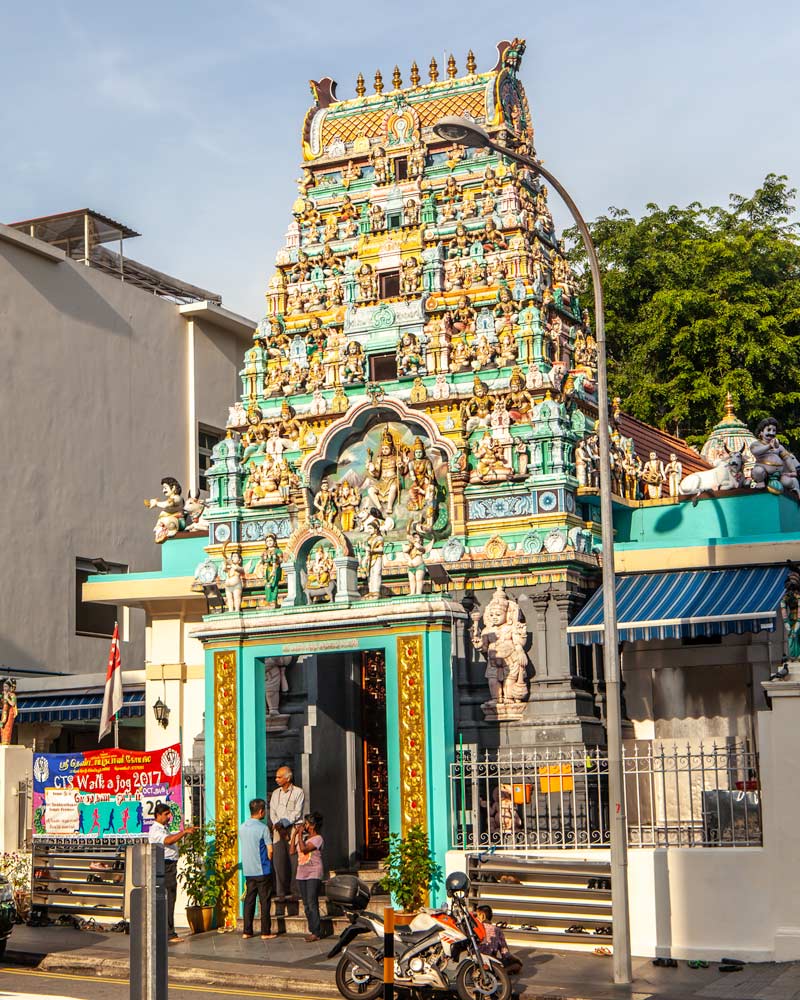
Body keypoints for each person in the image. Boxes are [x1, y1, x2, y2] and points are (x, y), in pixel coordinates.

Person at [148, 802, 196, 943]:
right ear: (158, 815)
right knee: (168, 897)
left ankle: (168, 930)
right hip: (164, 865)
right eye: (166, 814)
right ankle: (169, 933)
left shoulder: (164, 828)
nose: (169, 817)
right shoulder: (156, 830)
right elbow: (168, 841)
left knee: (170, 897)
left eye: (169, 814)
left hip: (169, 864)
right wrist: (184, 832)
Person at [239, 798, 277, 940]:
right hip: (262, 870)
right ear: (261, 811)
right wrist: (269, 861)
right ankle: (265, 932)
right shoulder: (263, 828)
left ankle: (247, 931)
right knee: (264, 901)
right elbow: (270, 850)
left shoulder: (242, 827)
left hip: (248, 870)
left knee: (249, 900)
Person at [269, 766, 305, 901]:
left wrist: (284, 824)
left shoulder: (298, 792)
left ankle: (296, 891)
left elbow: (297, 812)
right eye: (276, 777)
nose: (276, 779)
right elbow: (272, 811)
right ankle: (281, 892)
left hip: (293, 829)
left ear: (288, 778)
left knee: (294, 861)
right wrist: (278, 825)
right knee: (279, 861)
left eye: (279, 777)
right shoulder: (275, 793)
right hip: (278, 829)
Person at [293, 812, 324, 941]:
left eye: (306, 823)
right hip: (301, 874)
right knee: (306, 904)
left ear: (312, 825)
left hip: (313, 873)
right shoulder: (304, 839)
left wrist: (299, 834)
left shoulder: (318, 839)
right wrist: (295, 834)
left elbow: (305, 849)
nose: (304, 826)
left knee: (312, 902)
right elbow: (291, 851)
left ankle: (316, 932)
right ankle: (313, 929)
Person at [474, 904, 522, 975]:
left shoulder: (475, 929)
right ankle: (500, 973)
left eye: (477, 916)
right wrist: (517, 960)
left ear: (482, 915)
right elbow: (505, 953)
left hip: (476, 960)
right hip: (491, 961)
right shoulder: (497, 930)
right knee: (517, 965)